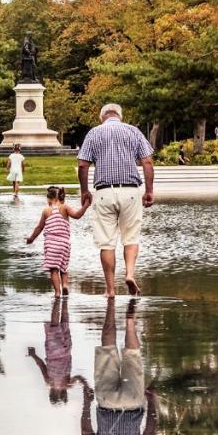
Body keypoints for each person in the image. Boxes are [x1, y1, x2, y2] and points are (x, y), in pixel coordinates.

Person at [77, 104, 155, 298]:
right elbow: (147, 162)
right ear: (120, 115)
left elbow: (82, 165)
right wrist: (149, 191)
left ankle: (110, 290)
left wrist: (85, 191)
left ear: (102, 116)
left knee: (107, 243)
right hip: (130, 191)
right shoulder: (133, 131)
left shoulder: (94, 133)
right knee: (131, 238)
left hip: (104, 193)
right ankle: (129, 274)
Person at [79, 298, 158, 435]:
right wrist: (87, 402)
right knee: (107, 350)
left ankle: (130, 325)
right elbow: (86, 432)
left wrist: (152, 401)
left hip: (133, 403)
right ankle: (111, 307)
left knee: (132, 356)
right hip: (106, 403)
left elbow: (150, 431)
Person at [26, 185, 88, 299]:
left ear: (49, 199)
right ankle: (64, 285)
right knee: (64, 268)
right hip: (64, 244)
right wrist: (86, 205)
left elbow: (39, 227)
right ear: (60, 197)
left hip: (51, 244)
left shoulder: (46, 210)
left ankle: (57, 293)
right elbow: (77, 215)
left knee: (54, 270)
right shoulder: (65, 208)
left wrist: (31, 239)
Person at [28, 296, 77, 405]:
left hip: (67, 350)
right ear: (51, 394)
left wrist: (80, 382)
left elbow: (78, 377)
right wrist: (33, 355)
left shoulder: (67, 384)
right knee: (54, 325)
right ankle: (57, 300)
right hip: (53, 351)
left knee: (65, 323)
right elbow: (41, 365)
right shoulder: (48, 382)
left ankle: (64, 300)